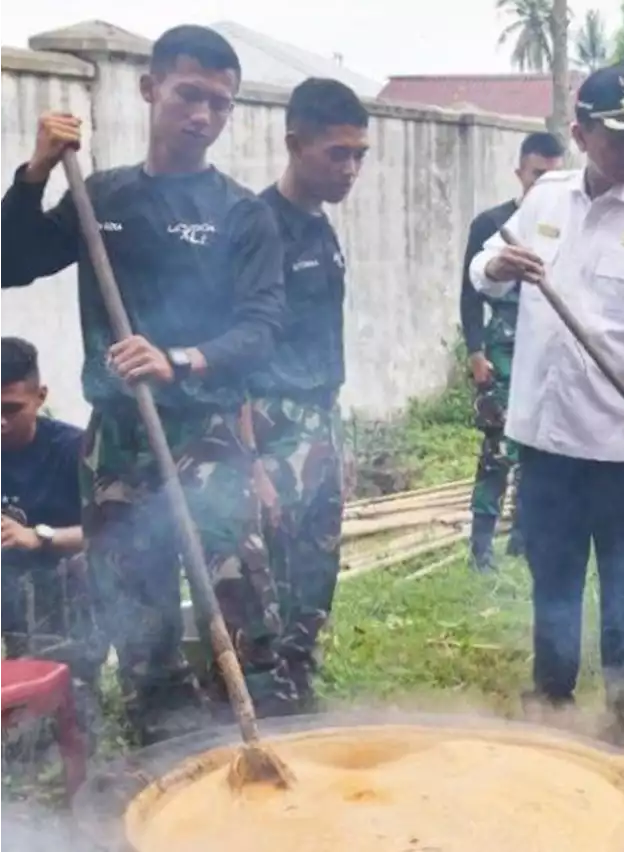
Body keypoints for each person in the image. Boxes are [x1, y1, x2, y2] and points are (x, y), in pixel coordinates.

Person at [0, 25, 289, 745]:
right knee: (134, 604)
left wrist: (180, 358)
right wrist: (33, 173)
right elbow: (10, 261)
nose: (203, 116)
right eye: (190, 94)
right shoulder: (101, 195)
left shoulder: (240, 215)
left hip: (208, 433)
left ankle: (252, 741)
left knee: (237, 593)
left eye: (220, 105)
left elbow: (262, 329)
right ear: (150, 87)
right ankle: (164, 752)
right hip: (119, 438)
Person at [469, 65, 624, 751]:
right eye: (619, 137)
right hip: (546, 441)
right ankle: (552, 705)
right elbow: (486, 262)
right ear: (581, 133)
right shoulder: (546, 200)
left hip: (622, 444)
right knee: (554, 580)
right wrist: (495, 270)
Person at [248, 78, 369, 714]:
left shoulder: (322, 229)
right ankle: (266, 702)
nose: (350, 169)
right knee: (269, 571)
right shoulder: (257, 227)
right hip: (267, 423)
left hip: (319, 416)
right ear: (295, 144)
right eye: (337, 154)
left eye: (359, 156)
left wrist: (335, 440)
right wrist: (250, 461)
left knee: (317, 566)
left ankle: (299, 685)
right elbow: (236, 351)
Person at [461, 132, 565, 573]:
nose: (544, 184)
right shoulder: (494, 223)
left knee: (539, 448)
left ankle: (524, 540)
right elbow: (468, 291)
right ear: (520, 172)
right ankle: (481, 548)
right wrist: (475, 351)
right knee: (497, 450)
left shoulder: (563, 225)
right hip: (503, 349)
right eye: (538, 174)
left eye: (554, 175)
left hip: (547, 350)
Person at [0, 338, 105, 748]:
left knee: (80, 565)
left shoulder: (74, 450)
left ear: (40, 397)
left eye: (11, 410)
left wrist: (39, 536)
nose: (0, 424)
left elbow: (108, 532)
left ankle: (77, 688)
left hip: (63, 586)